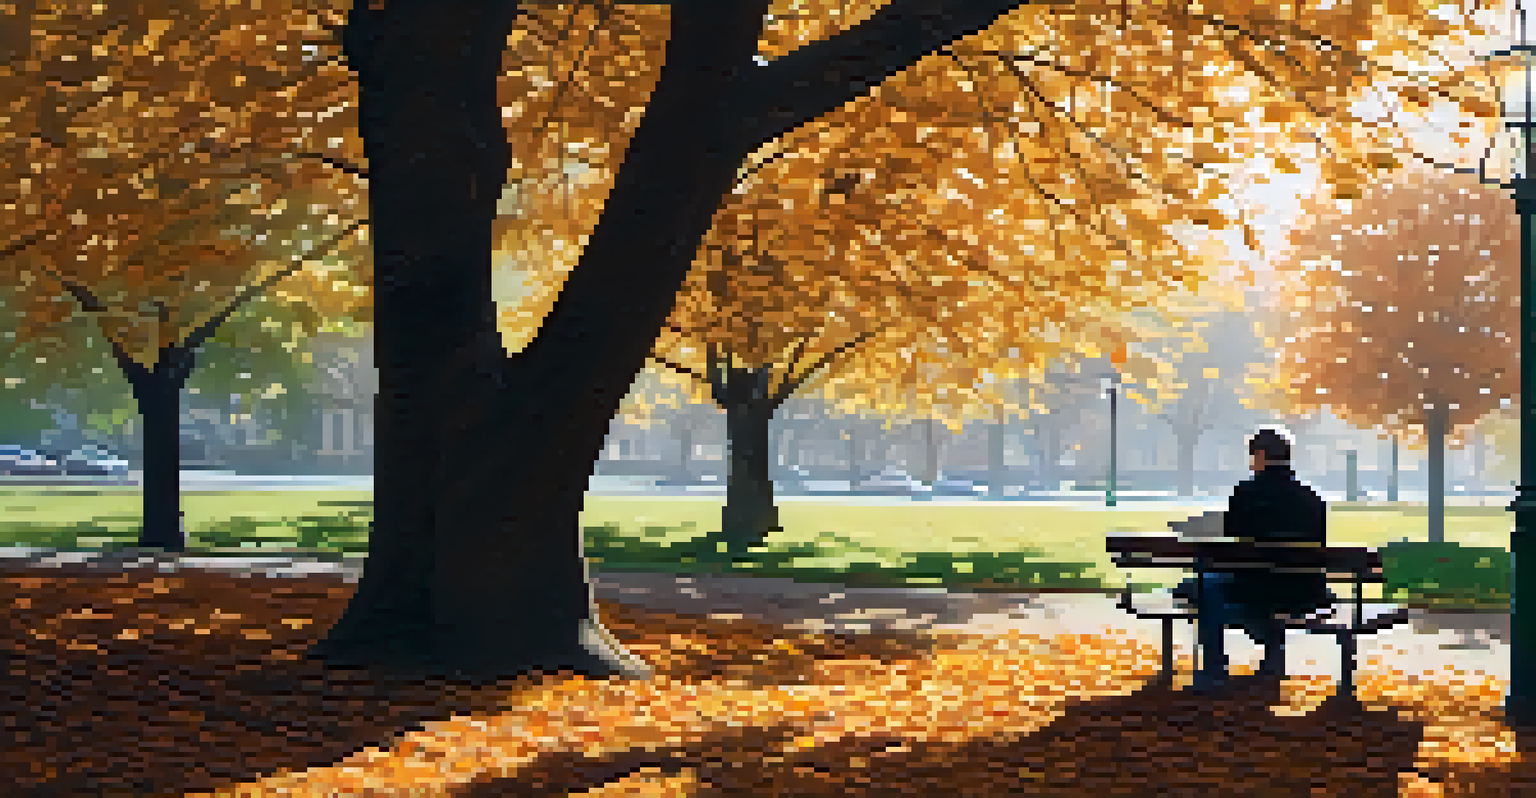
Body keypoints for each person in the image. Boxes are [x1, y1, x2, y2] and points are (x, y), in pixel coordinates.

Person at [1172, 426, 1331, 692]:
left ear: (1260, 455)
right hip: (1304, 592)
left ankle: (1214, 670)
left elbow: (1233, 533)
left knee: (1204, 586)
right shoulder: (1312, 498)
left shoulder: (1246, 493)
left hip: (1255, 590)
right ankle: (1272, 657)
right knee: (1238, 589)